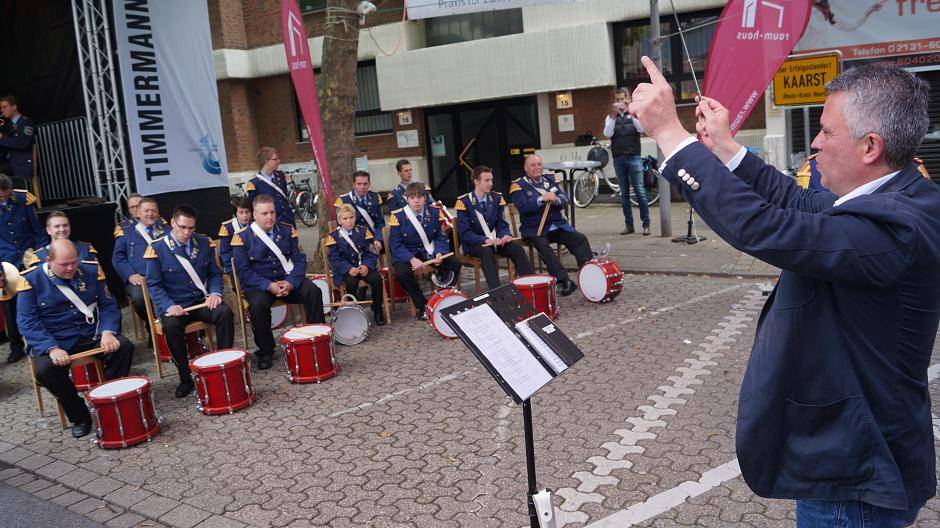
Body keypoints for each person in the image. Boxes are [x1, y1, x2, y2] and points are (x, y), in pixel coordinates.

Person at [631, 56, 939, 526]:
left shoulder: (891, 228)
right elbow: (797, 202)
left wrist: (671, 134)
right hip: (857, 454)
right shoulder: (901, 196)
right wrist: (726, 149)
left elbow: (765, 227)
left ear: (870, 146)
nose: (815, 143)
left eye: (827, 132)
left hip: (853, 476)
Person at [17, 240, 134, 438]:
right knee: (45, 371)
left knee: (124, 347)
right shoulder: (31, 280)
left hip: (90, 333)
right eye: (64, 264)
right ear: (49, 261)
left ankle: (108, 400)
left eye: (74, 262)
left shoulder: (91, 271)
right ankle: (80, 416)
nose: (71, 268)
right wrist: (51, 348)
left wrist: (107, 332)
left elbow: (108, 305)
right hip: (56, 340)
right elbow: (27, 322)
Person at [145, 205, 235, 397]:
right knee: (171, 327)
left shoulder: (203, 242)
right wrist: (169, 306)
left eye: (191, 228)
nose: (187, 232)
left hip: (201, 301)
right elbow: (154, 286)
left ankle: (224, 364)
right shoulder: (157, 248)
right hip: (175, 305)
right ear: (172, 223)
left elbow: (214, 273)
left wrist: (215, 293)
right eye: (182, 227)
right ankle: (185, 377)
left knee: (225, 313)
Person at [232, 194, 324, 369]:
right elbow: (243, 272)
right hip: (260, 286)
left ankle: (318, 337)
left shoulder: (287, 231)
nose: (270, 217)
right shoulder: (242, 238)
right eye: (264, 213)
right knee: (257, 306)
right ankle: (266, 351)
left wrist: (291, 282)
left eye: (272, 212)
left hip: (287, 281)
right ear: (254, 215)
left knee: (313, 291)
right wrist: (269, 285)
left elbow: (299, 260)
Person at [509, 155, 592, 296]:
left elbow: (565, 199)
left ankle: (588, 274)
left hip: (557, 226)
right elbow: (522, 207)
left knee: (579, 239)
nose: (537, 167)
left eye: (539, 164)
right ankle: (564, 281)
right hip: (535, 230)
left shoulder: (551, 180)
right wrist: (541, 199)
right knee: (544, 248)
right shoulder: (518, 185)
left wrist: (556, 200)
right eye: (533, 165)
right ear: (525, 168)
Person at [388, 182, 461, 318]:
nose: (416, 201)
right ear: (407, 199)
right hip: (408, 254)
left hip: (430, 251)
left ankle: (442, 297)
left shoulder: (435, 212)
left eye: (419, 197)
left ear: (424, 198)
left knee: (455, 263)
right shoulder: (398, 217)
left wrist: (439, 252)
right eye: (412, 198)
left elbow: (441, 236)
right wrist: (411, 259)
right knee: (402, 273)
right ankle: (423, 306)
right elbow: (395, 244)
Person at [455, 165, 534, 290]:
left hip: (496, 242)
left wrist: (505, 235)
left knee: (516, 249)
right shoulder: (464, 202)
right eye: (487, 180)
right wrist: (486, 240)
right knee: (487, 252)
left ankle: (530, 286)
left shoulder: (497, 198)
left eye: (491, 180)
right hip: (476, 244)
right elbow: (465, 234)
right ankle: (497, 291)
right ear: (476, 182)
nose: (491, 183)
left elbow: (501, 224)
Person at [0, 175, 47, 363]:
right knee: (9, 306)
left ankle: (41, 340)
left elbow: (38, 231)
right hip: (5, 263)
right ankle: (16, 345)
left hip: (29, 257)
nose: (6, 198)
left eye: (8, 194)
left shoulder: (23, 199)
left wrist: (40, 256)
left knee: (39, 300)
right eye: (2, 196)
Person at [326, 204, 386, 325]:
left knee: (376, 279)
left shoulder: (364, 232)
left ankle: (377, 308)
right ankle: (354, 311)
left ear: (355, 218)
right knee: (351, 283)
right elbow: (334, 259)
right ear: (339, 221)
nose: (349, 221)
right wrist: (348, 268)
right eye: (345, 218)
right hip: (346, 271)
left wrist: (366, 265)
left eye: (351, 217)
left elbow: (372, 252)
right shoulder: (333, 237)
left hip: (363, 267)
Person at [603, 87, 650, 235]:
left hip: (634, 157)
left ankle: (646, 224)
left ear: (627, 99)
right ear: (613, 101)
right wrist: (613, 116)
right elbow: (607, 133)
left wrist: (631, 111)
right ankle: (629, 225)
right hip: (618, 158)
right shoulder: (610, 117)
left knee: (640, 191)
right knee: (624, 194)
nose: (620, 102)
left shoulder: (635, 114)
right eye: (617, 99)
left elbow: (641, 129)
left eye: (622, 99)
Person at [113, 197, 167, 322]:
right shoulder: (124, 229)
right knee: (139, 299)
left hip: (164, 274)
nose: (137, 209)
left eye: (139, 205)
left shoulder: (162, 225)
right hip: (141, 278)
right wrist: (130, 274)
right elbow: (118, 258)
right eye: (133, 207)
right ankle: (152, 325)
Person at [333, 171, 385, 253]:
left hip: (374, 238)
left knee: (394, 248)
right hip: (355, 241)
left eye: (365, 184)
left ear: (369, 184)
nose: (362, 187)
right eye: (359, 184)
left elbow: (380, 223)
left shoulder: (375, 197)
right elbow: (342, 227)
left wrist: (378, 239)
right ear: (353, 185)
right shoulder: (343, 200)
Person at [23, 211, 97, 269]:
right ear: (48, 230)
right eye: (57, 226)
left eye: (65, 225)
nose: (62, 229)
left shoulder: (85, 249)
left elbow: (98, 278)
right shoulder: (38, 257)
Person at [244, 147, 294, 226]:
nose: (279, 161)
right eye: (275, 159)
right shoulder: (254, 183)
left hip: (288, 221)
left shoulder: (281, 176)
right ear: (266, 161)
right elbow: (252, 208)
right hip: (269, 224)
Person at [0, 96, 36, 189]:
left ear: (14, 107)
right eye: (1, 108)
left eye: (4, 107)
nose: (2, 110)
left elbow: (22, 144)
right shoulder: (9, 125)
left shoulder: (26, 122)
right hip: (12, 162)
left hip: (23, 164)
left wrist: (2, 137)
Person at [218, 196, 252, 279]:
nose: (244, 216)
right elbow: (226, 253)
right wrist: (233, 272)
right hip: (236, 268)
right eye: (241, 212)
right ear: (235, 213)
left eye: (247, 212)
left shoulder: (256, 224)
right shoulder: (228, 228)